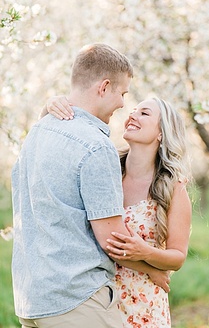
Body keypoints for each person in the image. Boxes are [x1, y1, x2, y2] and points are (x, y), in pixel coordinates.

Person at [11, 43, 168, 328]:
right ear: (104, 87)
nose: (123, 104)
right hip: (76, 303)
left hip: (31, 300)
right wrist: (152, 271)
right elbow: (112, 239)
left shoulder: (37, 131)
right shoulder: (96, 146)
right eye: (122, 94)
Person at [45, 96, 193, 328]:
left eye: (144, 113)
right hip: (96, 298)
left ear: (161, 133)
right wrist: (49, 106)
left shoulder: (172, 188)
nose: (132, 115)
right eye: (133, 111)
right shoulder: (104, 169)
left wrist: (146, 253)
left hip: (143, 303)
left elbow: (177, 257)